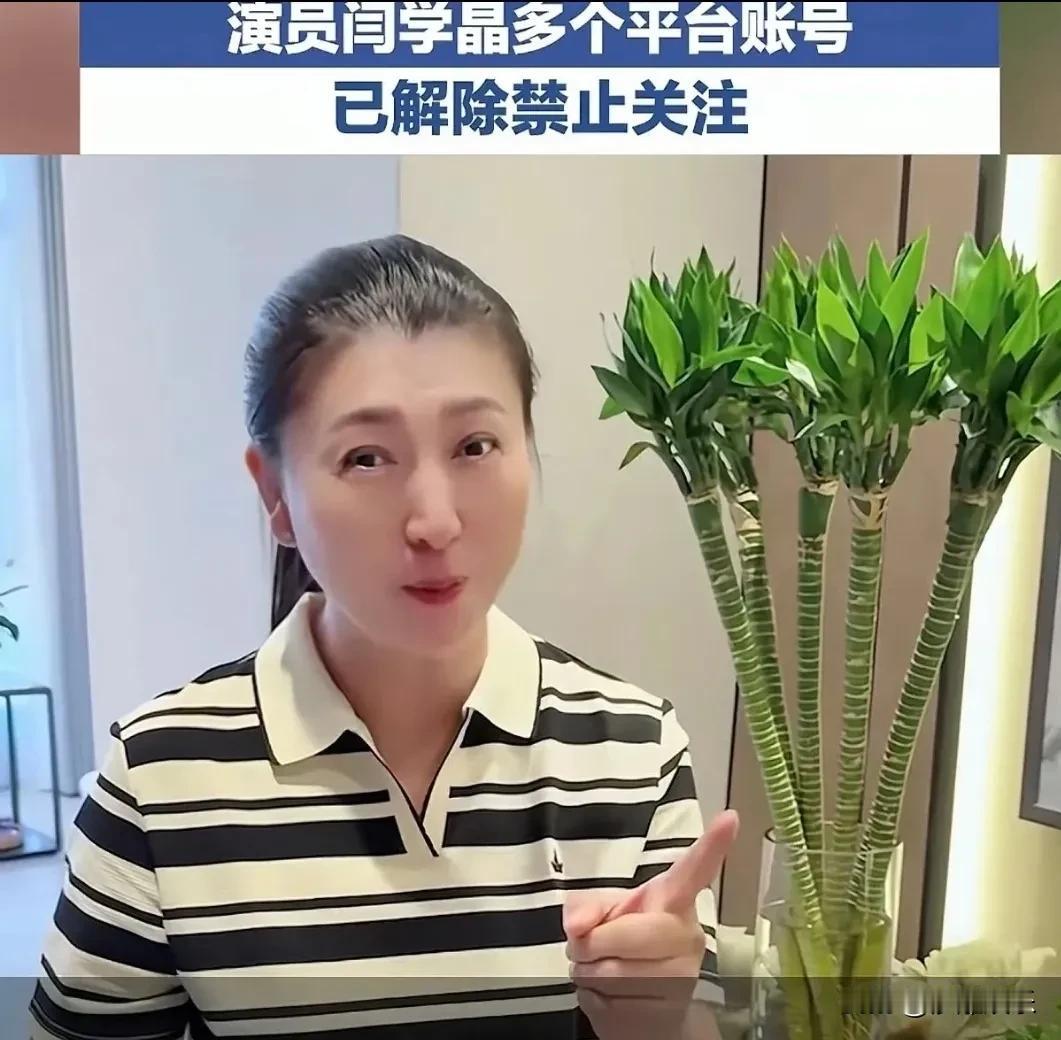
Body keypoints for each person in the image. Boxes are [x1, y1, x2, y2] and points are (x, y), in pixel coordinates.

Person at [28, 234, 739, 1040]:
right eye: (366, 458)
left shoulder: (632, 750)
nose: (434, 521)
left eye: (475, 446)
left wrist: (657, 1018)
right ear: (276, 494)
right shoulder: (159, 780)